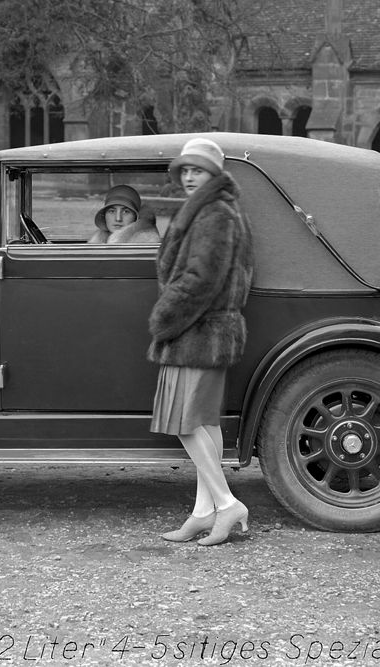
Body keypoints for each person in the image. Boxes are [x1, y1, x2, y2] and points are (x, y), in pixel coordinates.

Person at [148, 137, 254, 546]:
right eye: (185, 170)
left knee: (185, 422)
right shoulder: (216, 209)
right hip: (208, 330)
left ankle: (227, 504)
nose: (190, 177)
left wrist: (165, 318)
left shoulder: (214, 213)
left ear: (214, 173)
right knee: (204, 422)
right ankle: (203, 512)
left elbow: (201, 279)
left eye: (198, 170)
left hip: (198, 329)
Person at [88, 185, 161, 244]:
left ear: (136, 217)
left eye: (126, 212)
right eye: (112, 211)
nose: (118, 218)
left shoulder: (148, 245)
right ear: (104, 216)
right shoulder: (96, 244)